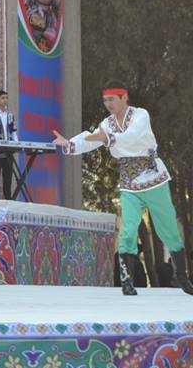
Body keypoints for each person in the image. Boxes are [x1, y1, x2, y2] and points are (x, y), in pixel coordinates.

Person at [53, 80, 193, 296]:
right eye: (105, 100)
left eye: (112, 99)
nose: (108, 104)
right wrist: (70, 143)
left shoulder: (140, 115)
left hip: (154, 179)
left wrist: (106, 138)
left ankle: (182, 277)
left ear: (124, 97)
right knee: (128, 230)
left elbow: (131, 136)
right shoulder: (108, 124)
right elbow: (92, 139)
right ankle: (127, 281)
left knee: (169, 230)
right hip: (129, 184)